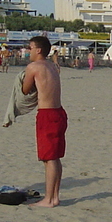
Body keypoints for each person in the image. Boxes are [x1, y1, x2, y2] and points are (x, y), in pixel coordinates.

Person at [23, 35, 66, 207]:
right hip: (59, 112)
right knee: (54, 157)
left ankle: (49, 199)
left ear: (38, 50)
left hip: (47, 114)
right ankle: (54, 197)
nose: (29, 51)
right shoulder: (53, 66)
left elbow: (25, 90)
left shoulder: (34, 67)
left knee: (49, 158)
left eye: (30, 47)